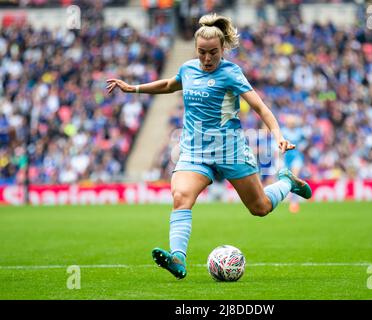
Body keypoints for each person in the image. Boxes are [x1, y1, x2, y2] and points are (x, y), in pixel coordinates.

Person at [106, 13, 312, 280]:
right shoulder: (189, 69)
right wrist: (132, 88)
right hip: (194, 151)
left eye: (213, 53)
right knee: (181, 197)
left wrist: (278, 135)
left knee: (259, 207)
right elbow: (169, 85)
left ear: (222, 49)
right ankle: (178, 258)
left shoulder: (231, 73)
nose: (206, 59)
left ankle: (287, 182)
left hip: (231, 151)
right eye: (202, 52)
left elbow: (260, 107)